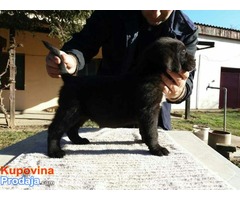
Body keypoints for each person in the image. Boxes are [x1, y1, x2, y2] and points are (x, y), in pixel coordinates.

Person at [45, 10, 198, 130]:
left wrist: (178, 92)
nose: (155, 11)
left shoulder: (187, 30)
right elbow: (84, 42)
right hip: (112, 109)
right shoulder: (112, 12)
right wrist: (72, 58)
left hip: (153, 116)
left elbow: (187, 81)